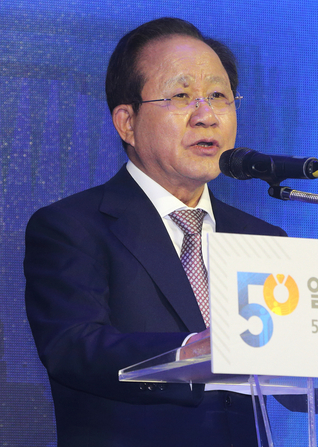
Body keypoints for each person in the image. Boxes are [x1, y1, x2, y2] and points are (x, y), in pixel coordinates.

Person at [24, 17, 285, 446]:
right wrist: (190, 352)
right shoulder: (71, 227)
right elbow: (73, 348)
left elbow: (297, 379)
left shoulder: (262, 240)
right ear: (127, 122)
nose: (206, 116)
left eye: (218, 96)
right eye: (181, 96)